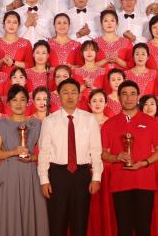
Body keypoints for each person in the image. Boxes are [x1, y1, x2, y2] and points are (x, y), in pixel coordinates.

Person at [100, 81, 158, 236]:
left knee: (144, 229)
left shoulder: (150, 121)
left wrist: (145, 162)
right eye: (124, 94)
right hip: (120, 183)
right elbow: (102, 154)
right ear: (118, 97)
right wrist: (116, 157)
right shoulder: (109, 124)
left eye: (132, 94)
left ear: (138, 97)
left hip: (145, 182)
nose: (129, 98)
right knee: (123, 229)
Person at [37, 78, 103, 236]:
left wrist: (96, 177)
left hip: (81, 175)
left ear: (79, 95)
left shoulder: (90, 119)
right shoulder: (49, 121)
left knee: (80, 224)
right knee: (57, 223)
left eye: (73, 92)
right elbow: (44, 152)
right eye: (65, 92)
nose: (70, 96)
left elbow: (95, 150)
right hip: (57, 175)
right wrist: (44, 180)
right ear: (59, 96)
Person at [0, 84, 49, 236]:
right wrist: (13, 152)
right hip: (8, 174)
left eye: (22, 99)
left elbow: (46, 153)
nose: (18, 103)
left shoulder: (37, 124)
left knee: (31, 212)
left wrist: (32, 157)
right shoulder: (1, 124)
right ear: (8, 103)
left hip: (30, 173)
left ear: (27, 102)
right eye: (14, 100)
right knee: (9, 211)